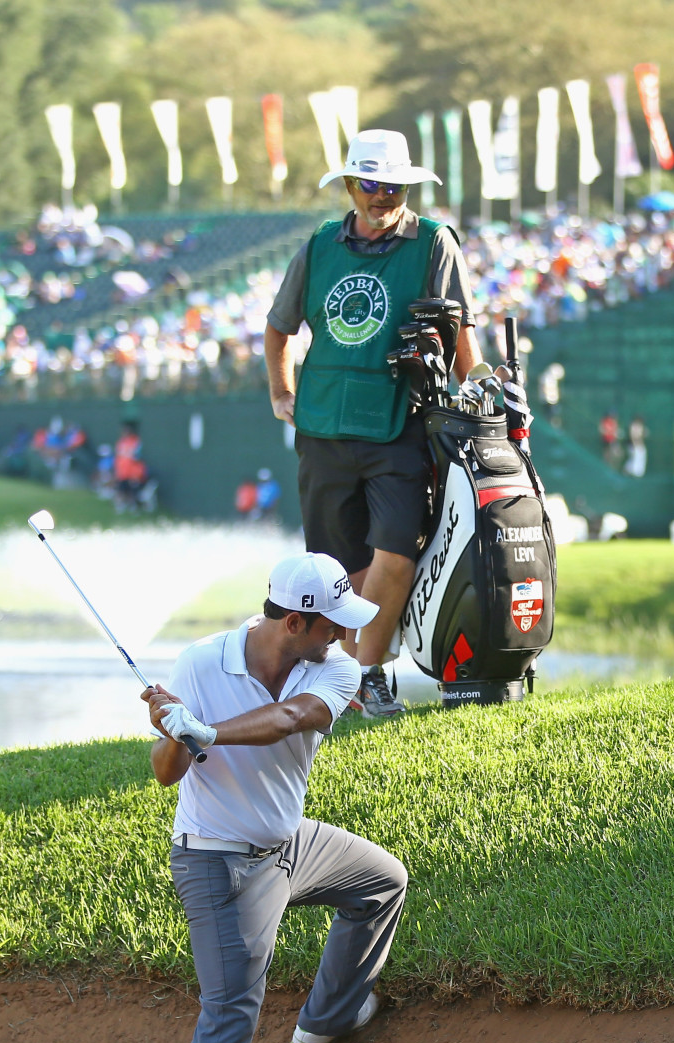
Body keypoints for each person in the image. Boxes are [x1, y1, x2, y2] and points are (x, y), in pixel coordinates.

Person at [141, 551, 408, 1043]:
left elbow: (295, 718)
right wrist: (173, 730)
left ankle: (326, 1017)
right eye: (332, 625)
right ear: (295, 620)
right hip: (220, 861)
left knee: (382, 880)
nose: (344, 636)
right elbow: (167, 774)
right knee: (229, 1011)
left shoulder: (335, 667)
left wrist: (212, 731)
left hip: (290, 843)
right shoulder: (202, 663)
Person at [264, 128, 483, 719]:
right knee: (342, 570)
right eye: (370, 184)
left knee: (397, 556)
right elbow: (279, 326)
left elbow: (460, 327)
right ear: (351, 186)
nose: (381, 196)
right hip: (324, 427)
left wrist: (481, 386)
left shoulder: (435, 243)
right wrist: (281, 392)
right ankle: (352, 679)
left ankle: (366, 672)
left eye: (392, 185)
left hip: (401, 423)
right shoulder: (317, 245)